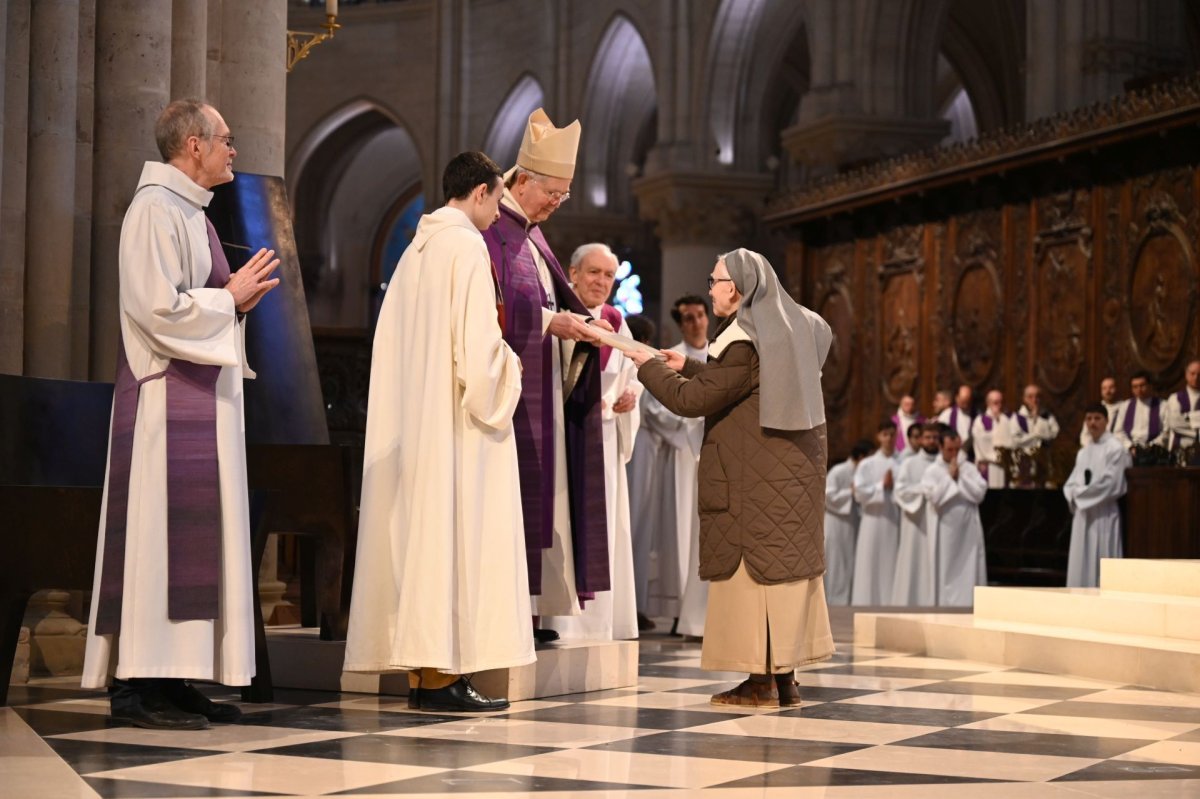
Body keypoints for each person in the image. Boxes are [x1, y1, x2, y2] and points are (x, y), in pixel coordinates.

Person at [81, 99, 280, 729]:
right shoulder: (153, 210)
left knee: (192, 545)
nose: (233, 150)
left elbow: (199, 304)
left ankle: (174, 679)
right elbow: (156, 310)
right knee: (157, 543)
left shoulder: (192, 213)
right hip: (165, 401)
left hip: (202, 397)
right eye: (226, 140)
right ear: (193, 145)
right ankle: (137, 687)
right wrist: (230, 298)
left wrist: (232, 302)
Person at [343, 152, 530, 712]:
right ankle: (444, 676)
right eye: (497, 199)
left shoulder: (414, 250)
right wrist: (511, 368)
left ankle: (427, 677)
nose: (499, 213)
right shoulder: (467, 248)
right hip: (455, 428)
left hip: (415, 424)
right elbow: (478, 355)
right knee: (450, 543)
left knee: (423, 544)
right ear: (478, 192)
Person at [630, 248, 833, 708]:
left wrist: (646, 366)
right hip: (789, 480)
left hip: (752, 480)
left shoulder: (743, 338)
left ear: (738, 289)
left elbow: (689, 402)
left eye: (716, 280)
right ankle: (785, 680)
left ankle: (760, 684)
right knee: (784, 574)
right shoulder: (783, 328)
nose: (710, 287)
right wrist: (691, 365)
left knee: (754, 576)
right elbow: (748, 383)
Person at [481, 109, 610, 639]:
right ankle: (510, 613)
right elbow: (490, 310)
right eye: (552, 193)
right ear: (523, 179)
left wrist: (572, 321)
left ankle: (530, 609)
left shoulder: (531, 236)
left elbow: (551, 299)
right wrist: (547, 321)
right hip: (510, 396)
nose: (557, 203)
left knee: (545, 503)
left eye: (565, 195)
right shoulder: (495, 232)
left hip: (544, 389)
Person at [545, 243, 641, 641]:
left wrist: (633, 393)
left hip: (603, 441)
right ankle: (558, 621)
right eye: (593, 273)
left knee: (605, 526)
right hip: (564, 437)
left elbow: (635, 367)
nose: (602, 282)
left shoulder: (617, 320)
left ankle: (599, 622)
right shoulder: (559, 317)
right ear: (573, 273)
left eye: (608, 275)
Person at [668, 294, 711, 639]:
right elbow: (656, 407)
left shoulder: (722, 355)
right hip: (680, 453)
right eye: (688, 318)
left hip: (709, 448)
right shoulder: (670, 357)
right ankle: (677, 607)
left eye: (700, 316)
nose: (696, 323)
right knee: (679, 531)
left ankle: (701, 611)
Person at [624, 314, 664, 632]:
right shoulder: (644, 363)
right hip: (639, 447)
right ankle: (630, 606)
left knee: (636, 529)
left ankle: (634, 604)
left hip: (639, 445)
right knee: (634, 527)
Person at [1064, 403, 1133, 587]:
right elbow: (1070, 483)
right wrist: (1073, 493)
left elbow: (1111, 485)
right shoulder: (1083, 452)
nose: (1092, 423)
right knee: (1081, 563)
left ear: (1106, 421)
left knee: (1103, 560)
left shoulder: (1116, 449)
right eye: (1088, 419)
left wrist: (1079, 495)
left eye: (1097, 418)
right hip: (1083, 515)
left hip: (1105, 514)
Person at [921, 430, 988, 606]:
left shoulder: (968, 468)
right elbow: (933, 498)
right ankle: (944, 604)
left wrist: (960, 479)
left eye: (957, 449)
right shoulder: (932, 471)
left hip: (967, 530)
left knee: (967, 568)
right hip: (944, 531)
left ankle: (967, 603)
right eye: (950, 449)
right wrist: (950, 479)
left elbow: (980, 493)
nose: (954, 454)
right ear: (941, 447)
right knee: (945, 569)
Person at [851, 421, 902, 606]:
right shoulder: (867, 464)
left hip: (893, 519)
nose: (889, 438)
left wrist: (896, 488)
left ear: (897, 436)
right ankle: (866, 602)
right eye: (885, 434)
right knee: (870, 562)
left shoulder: (902, 462)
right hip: (871, 521)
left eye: (892, 434)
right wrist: (882, 486)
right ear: (878, 437)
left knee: (891, 562)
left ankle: (890, 603)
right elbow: (859, 493)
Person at [891, 422, 941, 606]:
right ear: (920, 440)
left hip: (936, 522)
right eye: (928, 437)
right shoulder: (909, 464)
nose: (932, 441)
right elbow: (901, 492)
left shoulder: (942, 463)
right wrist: (924, 491)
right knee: (914, 562)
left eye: (935, 438)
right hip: (916, 522)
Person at [824, 439, 872, 606]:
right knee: (837, 564)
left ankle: (846, 600)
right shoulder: (839, 471)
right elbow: (827, 496)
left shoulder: (860, 473)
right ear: (860, 457)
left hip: (851, 523)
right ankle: (834, 600)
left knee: (849, 563)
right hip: (835, 523)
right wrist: (849, 493)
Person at [1112, 371, 1167, 449]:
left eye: (1142, 385)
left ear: (1150, 385)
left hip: (1154, 451)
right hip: (1129, 450)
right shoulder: (1125, 406)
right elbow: (1118, 432)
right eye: (1135, 387)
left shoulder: (1162, 405)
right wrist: (1130, 446)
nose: (1139, 390)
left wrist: (1151, 446)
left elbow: (1166, 431)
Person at [972, 390, 1011, 488]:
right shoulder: (980, 420)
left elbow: (1011, 441)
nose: (999, 405)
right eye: (995, 402)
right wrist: (997, 457)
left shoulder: (1006, 420)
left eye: (1001, 402)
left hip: (1004, 466)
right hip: (987, 465)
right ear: (988, 403)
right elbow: (981, 442)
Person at [1008, 384, 1060, 451]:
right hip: (1024, 456)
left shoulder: (1047, 416)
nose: (1034, 400)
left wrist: (1038, 419)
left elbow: (1055, 434)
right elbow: (1015, 440)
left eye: (1037, 396)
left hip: (1045, 455)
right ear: (1024, 399)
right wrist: (1036, 436)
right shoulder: (1017, 418)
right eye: (1030, 397)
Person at [1166, 360, 1200, 451]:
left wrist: (1187, 417)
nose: (1196, 378)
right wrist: (1197, 433)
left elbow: (1181, 421)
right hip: (1180, 448)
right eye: (1192, 374)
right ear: (1186, 374)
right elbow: (1175, 423)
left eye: (1199, 374)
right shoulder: (1175, 398)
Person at [1079, 377, 1120, 446]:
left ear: (1116, 389)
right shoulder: (1095, 409)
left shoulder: (1125, 407)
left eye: (1111, 387)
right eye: (1104, 388)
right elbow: (1085, 434)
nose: (1108, 391)